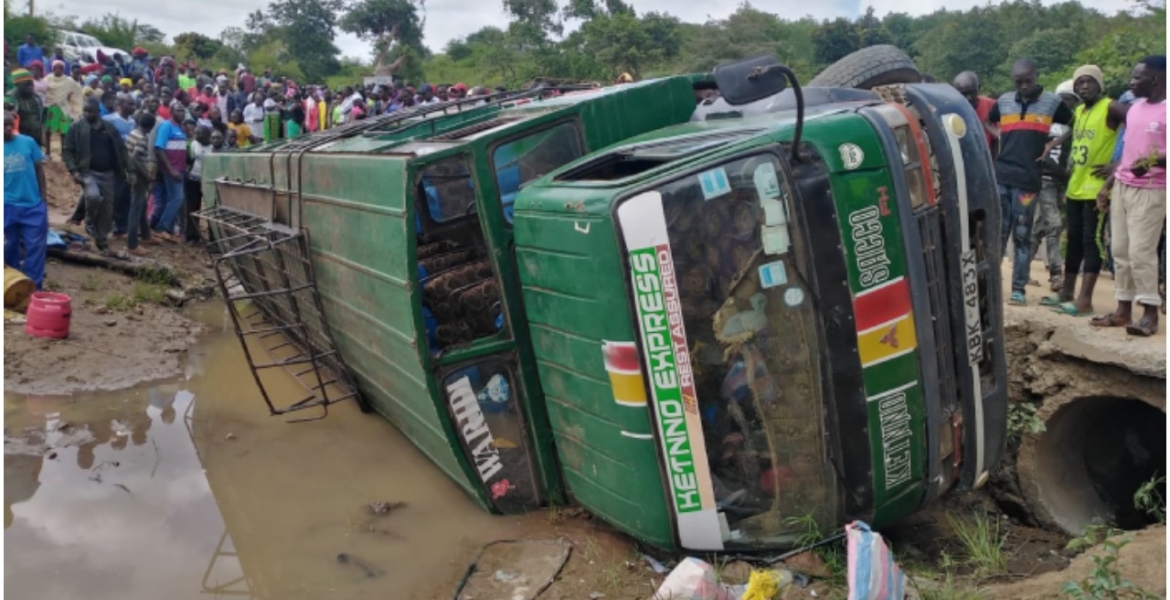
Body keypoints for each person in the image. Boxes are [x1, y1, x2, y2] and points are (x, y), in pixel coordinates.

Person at [987, 58, 1074, 306]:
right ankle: (994, 287)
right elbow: (988, 121)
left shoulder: (1052, 102)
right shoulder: (1004, 101)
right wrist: (1001, 136)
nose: (1023, 86)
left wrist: (1050, 144)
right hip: (1002, 177)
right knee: (999, 234)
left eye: (1028, 80)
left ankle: (1018, 289)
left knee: (1022, 236)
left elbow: (1071, 125)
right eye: (1018, 81)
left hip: (1028, 180)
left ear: (1036, 76)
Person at [1042, 66, 1127, 316]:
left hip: (1097, 189)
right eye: (1080, 83)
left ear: (1099, 84)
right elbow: (1072, 133)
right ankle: (1067, 292)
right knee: (1074, 240)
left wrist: (1120, 161)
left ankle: (1085, 299)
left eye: (1089, 82)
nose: (1084, 87)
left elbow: (1139, 123)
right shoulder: (1079, 110)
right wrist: (1054, 143)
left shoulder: (1111, 107)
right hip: (1076, 186)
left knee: (1093, 242)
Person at [1093, 56, 1167, 336]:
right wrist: (1108, 185)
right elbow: (1128, 155)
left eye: (1137, 78)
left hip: (1151, 190)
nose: (1131, 83)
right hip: (1123, 186)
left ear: (1156, 80)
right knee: (1120, 250)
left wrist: (1153, 161)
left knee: (1141, 251)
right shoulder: (1134, 110)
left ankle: (1149, 314)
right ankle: (1123, 310)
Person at [62, 98, 129, 255]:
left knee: (107, 210)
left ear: (98, 112)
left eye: (90, 111)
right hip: (87, 173)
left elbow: (122, 149)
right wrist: (74, 171)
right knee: (93, 197)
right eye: (84, 110)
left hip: (108, 174)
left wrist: (128, 170)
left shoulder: (109, 128)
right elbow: (67, 150)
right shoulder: (77, 127)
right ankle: (89, 222)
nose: (86, 114)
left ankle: (102, 240)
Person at [1030, 80, 1077, 293]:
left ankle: (1021, 270)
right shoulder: (1045, 122)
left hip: (1062, 181)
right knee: (1055, 225)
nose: (1067, 104)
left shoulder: (1075, 123)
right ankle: (1057, 274)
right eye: (1064, 99)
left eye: (1071, 100)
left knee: (1043, 227)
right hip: (1046, 179)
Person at [4, 111, 49, 288]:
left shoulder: (28, 142)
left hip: (33, 206)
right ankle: (13, 286)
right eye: (4, 125)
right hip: (7, 207)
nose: (8, 128)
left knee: (36, 249)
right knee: (9, 248)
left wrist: (43, 200)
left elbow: (39, 170)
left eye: (10, 124)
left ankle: (34, 288)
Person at [151, 101, 188, 242]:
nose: (181, 113)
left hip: (180, 169)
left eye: (183, 111)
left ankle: (169, 229)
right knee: (177, 198)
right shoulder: (166, 126)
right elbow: (159, 148)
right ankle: (163, 227)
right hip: (172, 170)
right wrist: (171, 169)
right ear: (171, 112)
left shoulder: (180, 127)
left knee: (173, 199)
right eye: (178, 111)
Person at [124, 112, 158, 256]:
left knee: (142, 205)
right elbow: (134, 159)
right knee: (136, 208)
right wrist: (147, 175)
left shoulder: (133, 133)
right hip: (139, 176)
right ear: (151, 127)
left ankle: (146, 235)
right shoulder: (143, 138)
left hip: (131, 174)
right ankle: (132, 244)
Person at [103, 96, 138, 237]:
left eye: (134, 104)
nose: (132, 106)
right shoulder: (109, 120)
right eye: (129, 103)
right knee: (113, 197)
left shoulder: (133, 123)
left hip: (128, 164)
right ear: (120, 105)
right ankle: (105, 226)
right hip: (113, 164)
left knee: (126, 197)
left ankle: (121, 227)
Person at [953, 70, 998, 157]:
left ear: (979, 88)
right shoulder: (950, 110)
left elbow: (996, 140)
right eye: (964, 94)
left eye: (972, 92)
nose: (969, 98)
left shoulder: (992, 106)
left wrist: (994, 166)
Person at [43, 60, 83, 158]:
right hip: (50, 107)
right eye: (56, 67)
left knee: (64, 132)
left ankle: (63, 152)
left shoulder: (68, 81)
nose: (58, 69)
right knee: (48, 131)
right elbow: (42, 90)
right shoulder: (47, 79)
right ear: (53, 69)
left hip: (63, 108)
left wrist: (72, 99)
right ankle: (48, 152)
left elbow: (77, 90)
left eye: (61, 68)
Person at [184, 125, 212, 244]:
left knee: (211, 209)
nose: (195, 135)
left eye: (198, 133)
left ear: (206, 135)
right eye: (195, 133)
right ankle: (192, 236)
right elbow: (189, 160)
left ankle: (213, 238)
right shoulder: (193, 144)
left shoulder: (213, 146)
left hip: (208, 181)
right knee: (192, 208)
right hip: (193, 180)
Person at [10, 69, 44, 144]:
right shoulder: (10, 99)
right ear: (17, 84)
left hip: (36, 139)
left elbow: (40, 119)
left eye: (31, 84)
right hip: (18, 140)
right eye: (26, 84)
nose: (30, 87)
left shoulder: (36, 98)